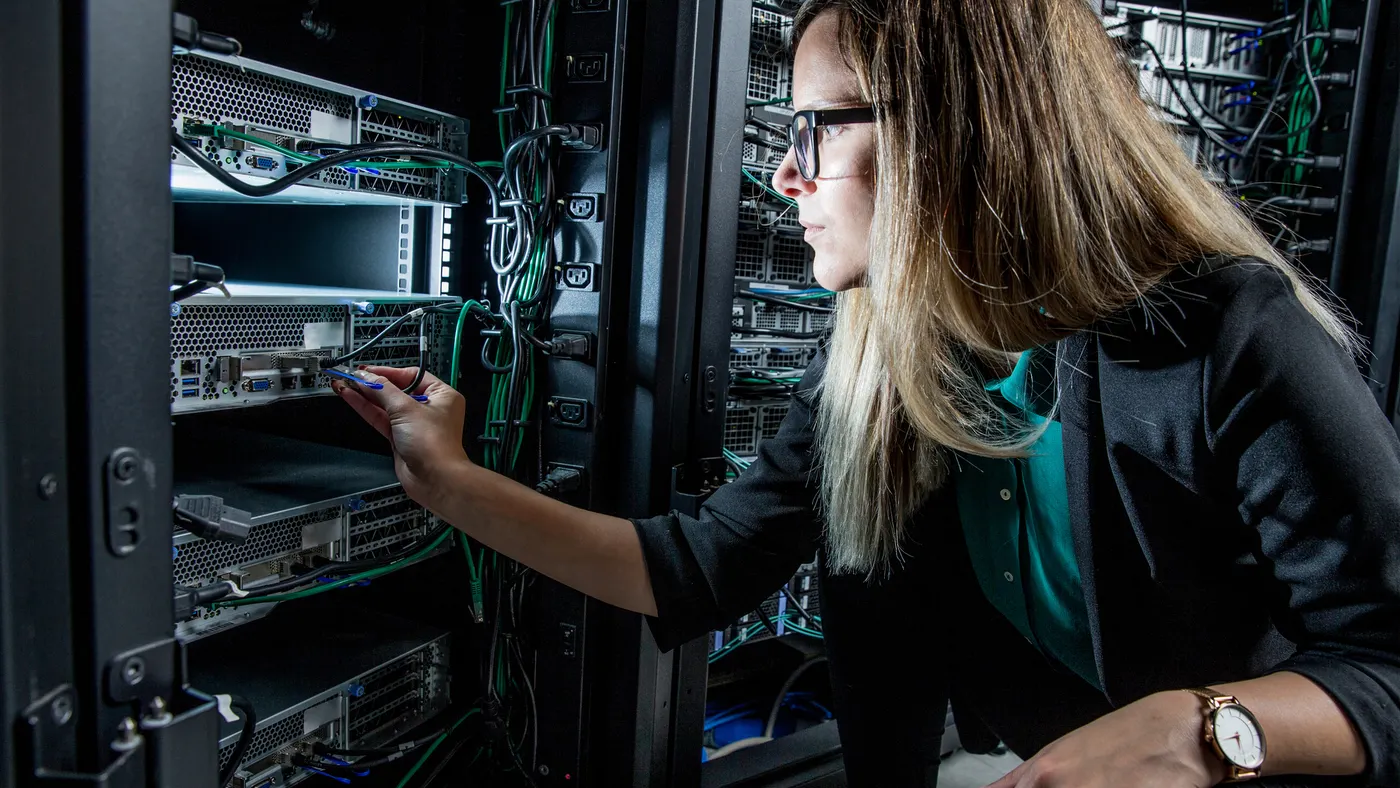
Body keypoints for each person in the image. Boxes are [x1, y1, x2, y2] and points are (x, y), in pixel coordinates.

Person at [333, 0, 1400, 785]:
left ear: (956, 132)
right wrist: (449, 480)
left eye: (813, 130)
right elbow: (702, 563)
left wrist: (1202, 730)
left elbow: (1387, 664)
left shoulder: (1222, 333)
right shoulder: (879, 356)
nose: (780, 177)